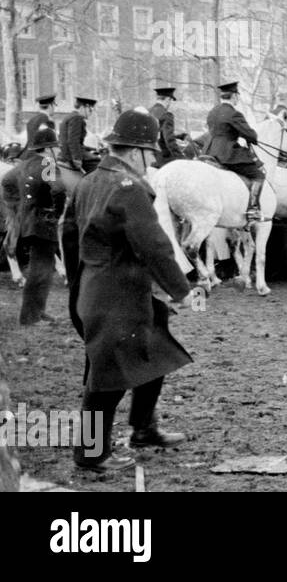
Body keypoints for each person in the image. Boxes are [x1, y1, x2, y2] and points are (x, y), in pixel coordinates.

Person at [62, 109, 206, 472]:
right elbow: (154, 245)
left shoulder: (90, 182)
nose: (153, 160)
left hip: (99, 291)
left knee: (155, 348)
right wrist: (182, 291)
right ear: (136, 151)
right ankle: (90, 454)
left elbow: (68, 235)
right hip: (116, 298)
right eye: (151, 153)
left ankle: (143, 428)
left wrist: (80, 285)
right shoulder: (128, 189)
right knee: (104, 381)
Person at [2, 122, 64, 325]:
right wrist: (58, 211)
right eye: (55, 146)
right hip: (44, 221)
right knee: (41, 270)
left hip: (29, 221)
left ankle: (38, 311)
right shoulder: (48, 163)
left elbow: (8, 180)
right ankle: (30, 316)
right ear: (47, 148)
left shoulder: (25, 163)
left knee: (41, 269)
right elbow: (57, 190)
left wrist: (20, 207)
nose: (58, 149)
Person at [203, 81, 265, 223]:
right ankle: (253, 209)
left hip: (208, 150)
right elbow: (251, 136)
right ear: (235, 96)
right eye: (238, 96)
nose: (238, 99)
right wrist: (251, 135)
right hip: (226, 153)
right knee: (258, 175)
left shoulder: (213, 112)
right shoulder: (234, 114)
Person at [60, 96, 100, 173]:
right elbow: (73, 140)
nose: (90, 113)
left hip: (65, 152)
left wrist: (90, 149)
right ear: (85, 106)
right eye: (90, 110)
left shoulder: (69, 116)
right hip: (71, 155)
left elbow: (74, 140)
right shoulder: (77, 118)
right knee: (98, 164)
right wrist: (77, 159)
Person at [148, 86, 185, 166]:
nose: (170, 103)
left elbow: (157, 134)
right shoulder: (166, 115)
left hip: (149, 155)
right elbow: (169, 139)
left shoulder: (148, 111)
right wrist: (180, 157)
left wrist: (178, 136)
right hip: (163, 158)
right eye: (170, 101)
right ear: (168, 100)